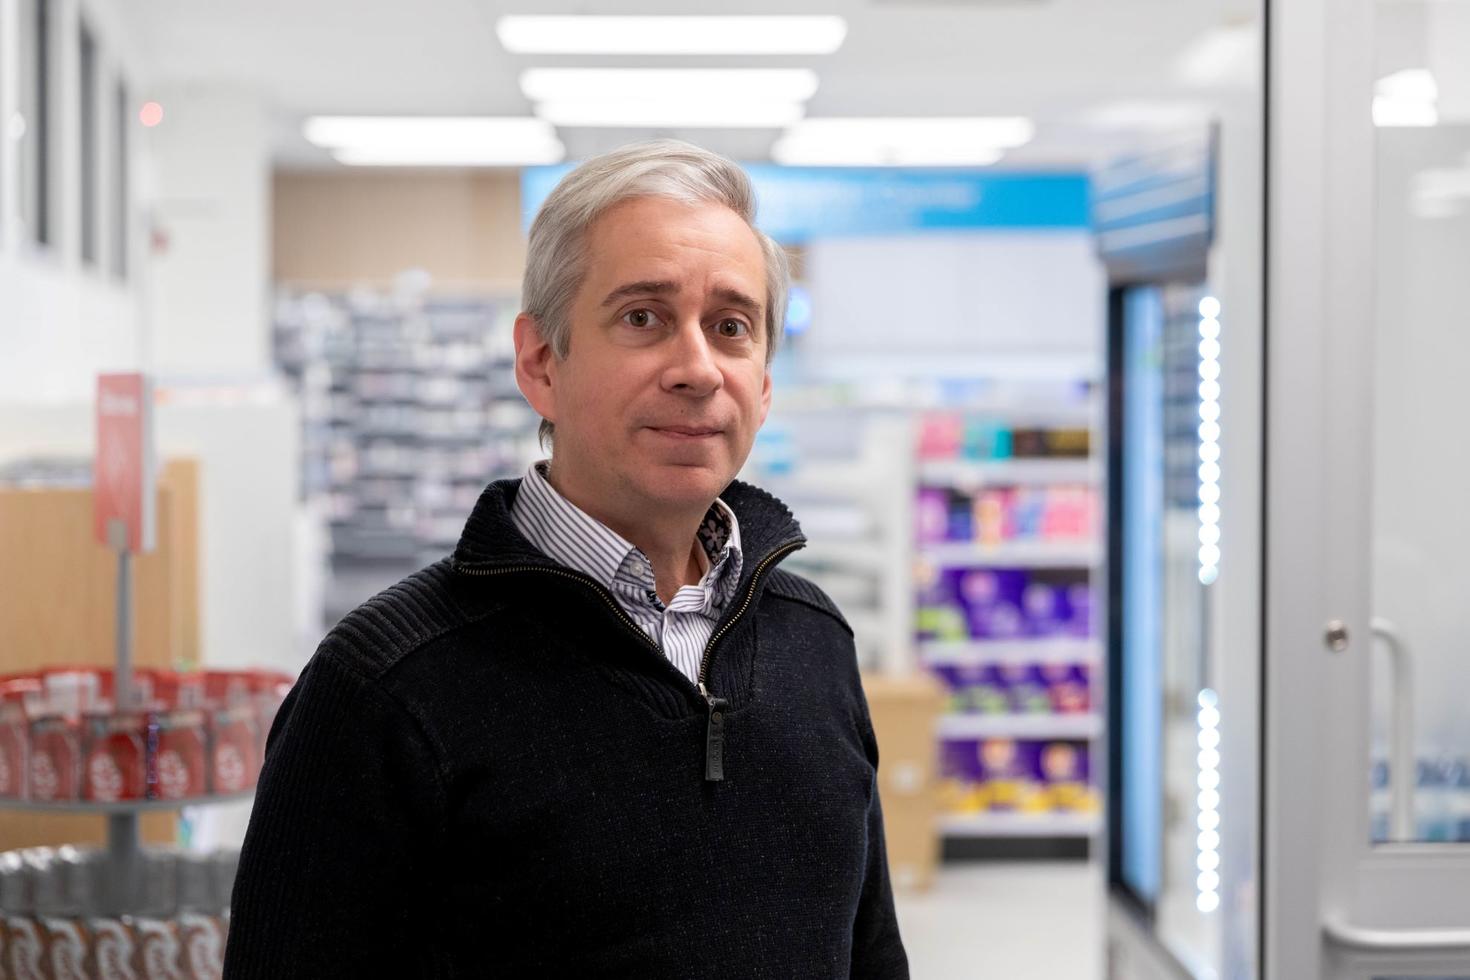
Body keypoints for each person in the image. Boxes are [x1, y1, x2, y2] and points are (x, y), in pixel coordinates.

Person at [224, 139, 910, 978]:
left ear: (764, 382)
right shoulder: (387, 686)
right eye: (643, 318)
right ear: (540, 362)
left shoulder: (813, 640)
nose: (697, 368)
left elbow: (871, 953)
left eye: (732, 327)